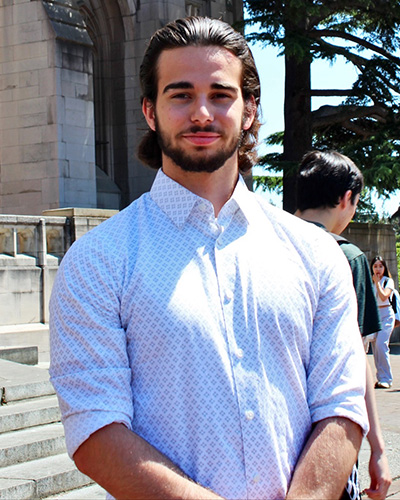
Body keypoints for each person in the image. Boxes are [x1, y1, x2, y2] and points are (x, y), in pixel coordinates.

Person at [49, 17, 368, 500]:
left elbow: (343, 406)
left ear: (249, 111)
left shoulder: (316, 253)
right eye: (180, 95)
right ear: (150, 111)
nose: (202, 112)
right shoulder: (97, 261)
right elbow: (95, 429)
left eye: (220, 94)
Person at [295, 150, 391, 500]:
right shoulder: (346, 256)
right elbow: (355, 358)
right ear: (347, 198)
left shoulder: (259, 242)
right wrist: (378, 449)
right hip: (327, 432)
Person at [370, 255, 395, 389]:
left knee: (381, 345)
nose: (378, 269)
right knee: (375, 348)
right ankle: (381, 378)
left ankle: (387, 378)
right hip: (375, 315)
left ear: (384, 268)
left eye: (380, 266)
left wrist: (378, 283)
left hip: (386, 315)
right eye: (375, 266)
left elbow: (384, 296)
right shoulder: (370, 281)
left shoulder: (387, 281)